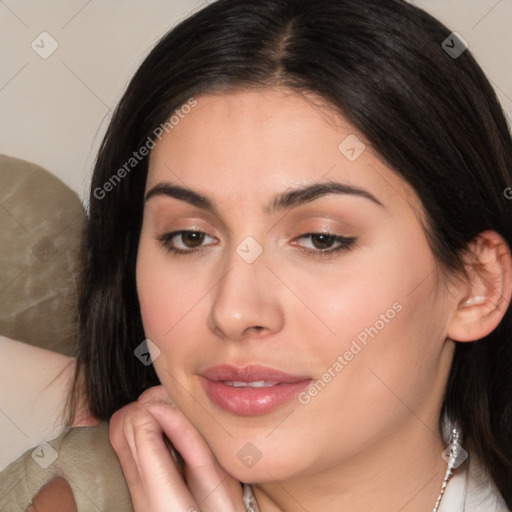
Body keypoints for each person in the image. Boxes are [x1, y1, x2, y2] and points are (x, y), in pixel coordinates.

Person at [3, 0, 512, 510]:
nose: (234, 312)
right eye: (190, 237)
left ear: (476, 286)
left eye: (320, 239)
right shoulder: (81, 495)